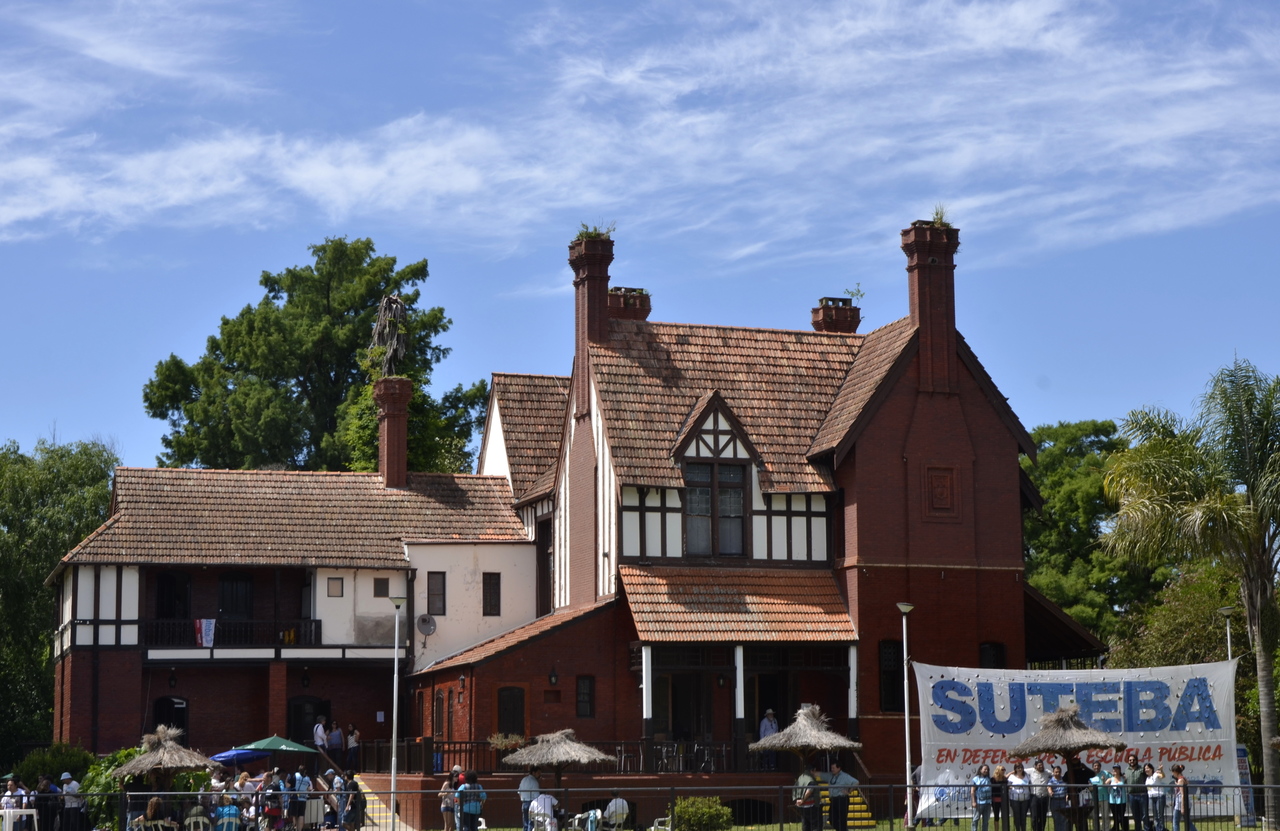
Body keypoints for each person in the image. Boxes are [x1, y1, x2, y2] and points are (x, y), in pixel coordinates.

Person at [828, 761, 858, 831]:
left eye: (833, 768)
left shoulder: (845, 776)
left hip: (842, 799)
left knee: (842, 820)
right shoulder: (832, 776)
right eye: (831, 768)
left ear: (839, 768)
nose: (832, 769)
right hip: (833, 799)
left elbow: (856, 782)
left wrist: (849, 791)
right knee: (832, 819)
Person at [793, 764, 820, 831]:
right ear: (812, 771)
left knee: (805, 824)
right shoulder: (810, 779)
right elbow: (809, 790)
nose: (815, 773)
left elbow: (795, 788)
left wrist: (797, 799)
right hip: (810, 805)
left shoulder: (801, 777)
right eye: (815, 771)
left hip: (801, 806)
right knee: (815, 825)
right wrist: (803, 800)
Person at [1124, 756, 1146, 831]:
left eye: (1133, 760)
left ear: (1136, 760)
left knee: (1144, 814)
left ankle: (1146, 829)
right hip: (1131, 796)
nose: (1132, 761)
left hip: (1142, 794)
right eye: (1130, 760)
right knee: (1135, 815)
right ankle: (1138, 829)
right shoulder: (1126, 770)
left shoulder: (1142, 769)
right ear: (1128, 761)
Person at [1169, 766, 1195, 831]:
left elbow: (1182, 794)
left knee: (1175, 822)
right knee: (1187, 821)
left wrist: (1182, 807)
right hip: (1184, 802)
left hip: (1180, 803)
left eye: (1173, 772)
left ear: (1176, 772)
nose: (1172, 774)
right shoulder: (1183, 778)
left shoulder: (1180, 780)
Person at [1029, 760, 1051, 831]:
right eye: (1039, 765)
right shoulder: (1031, 771)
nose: (1041, 766)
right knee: (1034, 817)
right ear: (1035, 766)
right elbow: (1020, 771)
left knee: (1043, 817)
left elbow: (1056, 775)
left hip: (1044, 796)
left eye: (1042, 765)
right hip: (1034, 796)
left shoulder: (1047, 772)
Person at [1008, 763, 1031, 831]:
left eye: (1021, 768)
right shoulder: (1011, 777)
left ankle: (1023, 829)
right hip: (1014, 799)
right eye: (1018, 768)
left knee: (1023, 816)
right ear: (1015, 769)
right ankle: (1017, 829)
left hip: (1025, 799)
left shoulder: (1027, 776)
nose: (1020, 769)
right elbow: (1008, 786)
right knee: (1017, 816)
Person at [1144, 764, 1165, 831]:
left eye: (1148, 768)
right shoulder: (1147, 778)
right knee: (1155, 816)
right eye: (1145, 769)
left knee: (1160, 815)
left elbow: (1162, 776)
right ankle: (1157, 828)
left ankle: (1161, 829)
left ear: (1151, 769)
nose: (1146, 770)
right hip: (1151, 797)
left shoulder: (1155, 774)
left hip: (1159, 796)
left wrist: (1161, 770)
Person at [972, 764, 994, 831]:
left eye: (987, 769)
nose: (986, 771)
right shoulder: (976, 779)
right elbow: (972, 791)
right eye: (985, 769)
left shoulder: (989, 779)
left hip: (988, 802)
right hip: (979, 802)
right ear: (980, 770)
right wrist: (973, 802)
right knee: (976, 819)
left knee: (986, 820)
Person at [1105, 765, 1127, 831]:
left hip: (1122, 800)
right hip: (1113, 800)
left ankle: (1123, 828)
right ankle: (1116, 828)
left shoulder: (1123, 778)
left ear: (1119, 770)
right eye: (1114, 769)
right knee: (1115, 816)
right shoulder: (1110, 779)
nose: (1115, 770)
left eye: (1117, 769)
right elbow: (1104, 784)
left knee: (1121, 816)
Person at [440, 767, 462, 831]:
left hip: (453, 805)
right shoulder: (446, 783)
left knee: (452, 825)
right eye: (455, 777)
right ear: (452, 777)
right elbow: (439, 794)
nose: (457, 778)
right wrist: (447, 793)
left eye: (457, 777)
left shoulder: (454, 785)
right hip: (446, 805)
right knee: (447, 824)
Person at [291, 766, 311, 831]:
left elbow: (289, 785)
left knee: (294, 814)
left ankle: (294, 828)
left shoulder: (295, 776)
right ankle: (299, 829)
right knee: (301, 815)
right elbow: (309, 788)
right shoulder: (307, 779)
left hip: (295, 798)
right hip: (303, 799)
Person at [1049, 766, 1067, 831]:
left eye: (1059, 772)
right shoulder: (1051, 780)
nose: (1057, 773)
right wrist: (1050, 792)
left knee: (1063, 818)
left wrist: (1067, 795)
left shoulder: (1063, 779)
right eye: (1056, 772)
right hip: (1055, 800)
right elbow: (1049, 787)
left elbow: (1067, 788)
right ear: (1053, 772)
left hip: (1063, 800)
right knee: (1056, 818)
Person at [991, 766, 1008, 831]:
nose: (1003, 771)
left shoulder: (1005, 779)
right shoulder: (993, 779)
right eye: (1002, 769)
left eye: (1004, 769)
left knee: (1004, 816)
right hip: (995, 800)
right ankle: (996, 829)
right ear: (998, 770)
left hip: (1004, 800)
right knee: (996, 816)